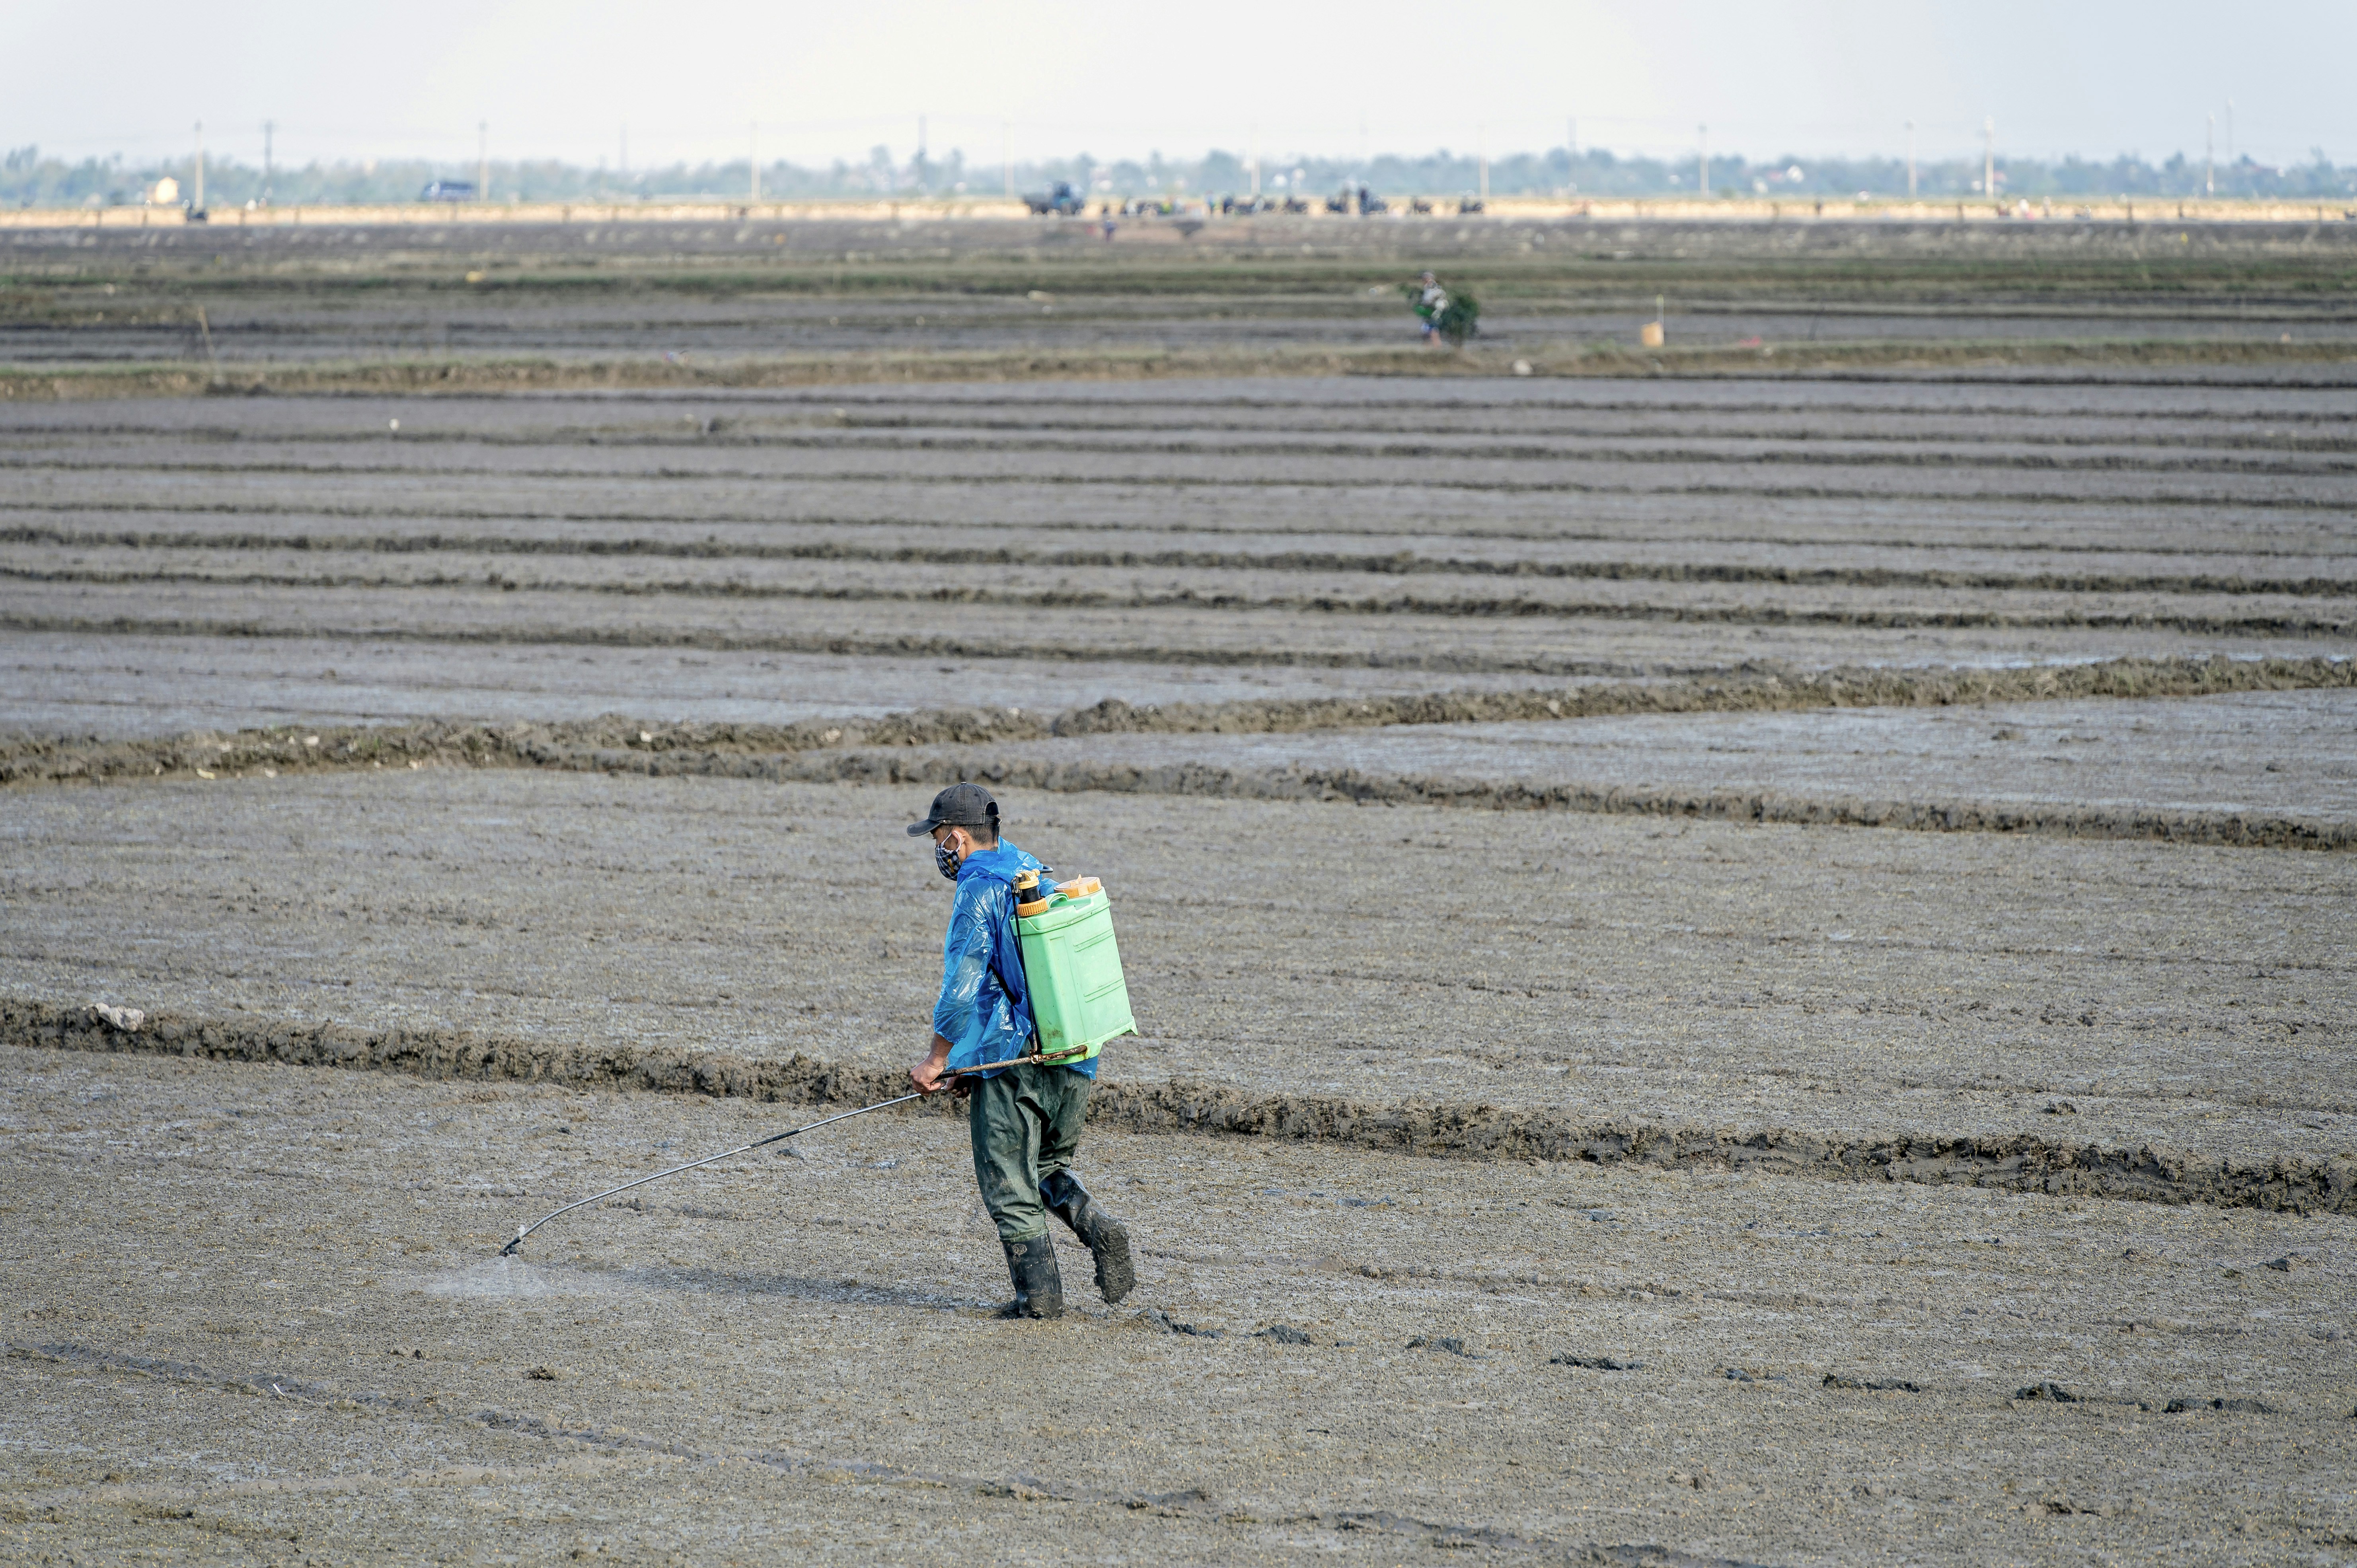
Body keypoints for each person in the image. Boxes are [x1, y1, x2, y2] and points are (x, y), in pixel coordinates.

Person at [906, 782, 1134, 1319]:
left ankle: (1041, 1301)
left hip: (1018, 1061)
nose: (937, 847)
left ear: (957, 839)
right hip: (1076, 1051)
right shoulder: (1032, 871)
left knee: (1007, 1179)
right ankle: (1100, 1227)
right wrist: (970, 1065)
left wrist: (937, 1061)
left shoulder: (976, 888)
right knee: (1048, 1164)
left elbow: (962, 988)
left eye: (937, 837)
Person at [1414, 270, 1449, 345]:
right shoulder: (1429, 288)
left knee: (1433, 331)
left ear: (1428, 279)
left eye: (1424, 279)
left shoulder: (1433, 288)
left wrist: (1422, 306)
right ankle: (1429, 349)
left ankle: (1437, 348)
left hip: (1435, 312)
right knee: (1426, 331)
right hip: (1432, 312)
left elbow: (1429, 300)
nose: (1422, 281)